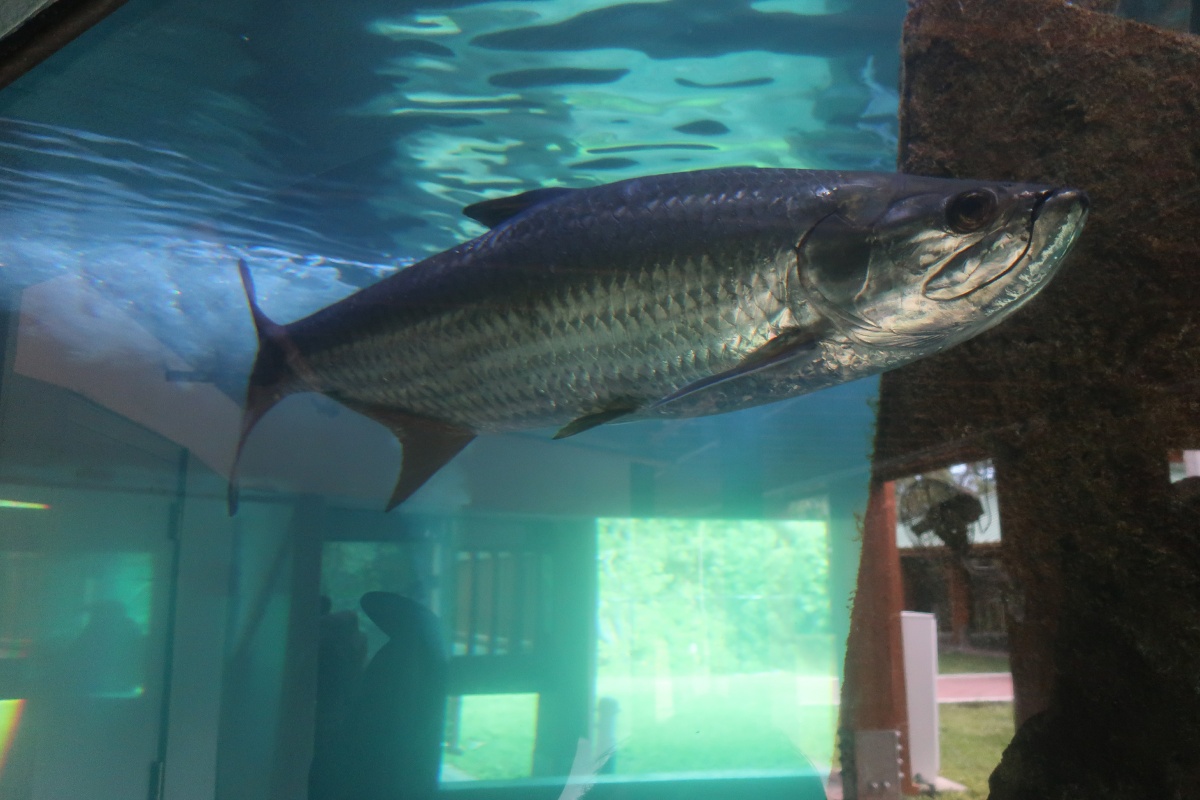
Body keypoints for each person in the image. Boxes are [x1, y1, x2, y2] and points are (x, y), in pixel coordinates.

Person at [341, 591, 448, 800]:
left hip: (387, 757)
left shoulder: (401, 657)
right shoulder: (424, 650)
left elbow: (374, 705)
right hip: (406, 760)